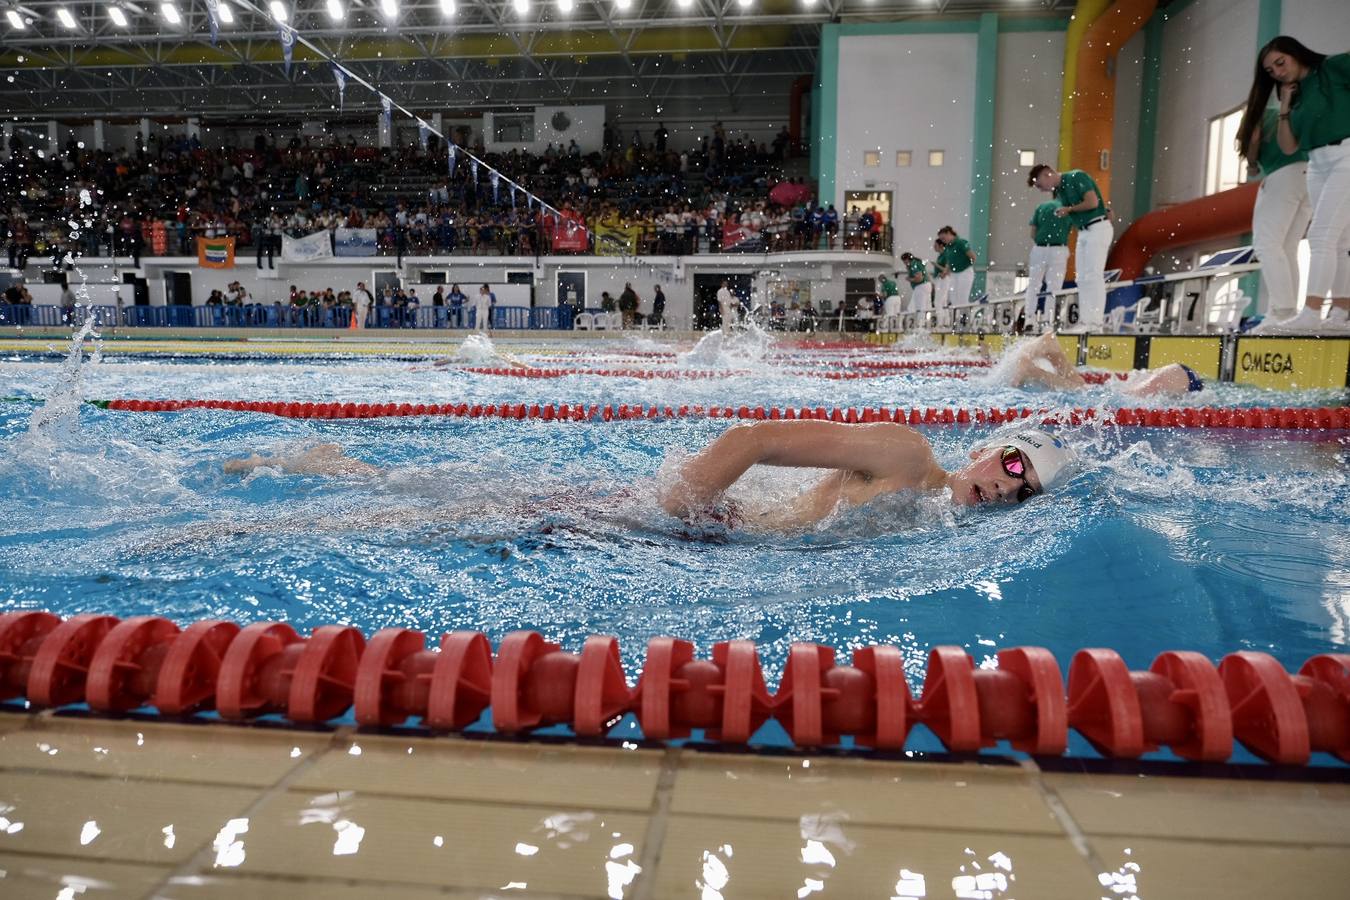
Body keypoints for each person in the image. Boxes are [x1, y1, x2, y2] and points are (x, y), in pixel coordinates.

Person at [224, 421, 1076, 533]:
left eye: (1022, 488)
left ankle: (348, 468)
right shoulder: (906, 457)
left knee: (484, 515)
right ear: (987, 448)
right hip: (697, 522)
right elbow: (758, 435)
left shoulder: (936, 515)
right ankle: (328, 470)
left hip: (716, 540)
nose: (1006, 487)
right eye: (1010, 464)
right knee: (472, 520)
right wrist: (688, 496)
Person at [1257, 36, 1350, 332]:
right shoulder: (1294, 95)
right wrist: (1284, 106)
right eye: (1271, 71)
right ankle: (1340, 314)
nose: (1278, 72)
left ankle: (1311, 311)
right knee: (1340, 242)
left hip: (1346, 155)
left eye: (1280, 63)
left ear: (1296, 54)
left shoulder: (1333, 67)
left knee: (1321, 236)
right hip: (1316, 163)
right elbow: (1288, 146)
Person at [1237, 88, 1311, 332]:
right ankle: (1287, 313)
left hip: (1282, 176)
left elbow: (1254, 143)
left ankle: (1282, 311)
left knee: (1267, 244)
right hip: (1308, 176)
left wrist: (1250, 160)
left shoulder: (1256, 117)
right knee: (1288, 247)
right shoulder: (1282, 115)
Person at [1029, 163, 1111, 332]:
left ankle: (1095, 323)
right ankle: (1085, 320)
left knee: (1093, 275)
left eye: (1039, 185)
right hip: (1084, 232)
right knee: (1081, 278)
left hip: (1097, 228)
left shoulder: (1076, 176)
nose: (1041, 189)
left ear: (1047, 174)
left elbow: (1092, 202)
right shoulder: (1059, 192)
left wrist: (1070, 209)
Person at [1006, 332, 1203, 396]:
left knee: (1089, 391)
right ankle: (1035, 370)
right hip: (1186, 379)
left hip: (1184, 376)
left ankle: (1051, 349)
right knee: (1093, 394)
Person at [1023, 199, 1072, 329]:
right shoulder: (1070, 208)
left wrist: (1042, 238)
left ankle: (1029, 318)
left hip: (1040, 248)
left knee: (1034, 284)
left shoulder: (1041, 207)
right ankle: (1048, 320)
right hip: (1059, 249)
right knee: (1054, 287)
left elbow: (1033, 232)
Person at [936, 227, 977, 313]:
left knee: (962, 299)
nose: (943, 241)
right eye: (941, 240)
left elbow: (973, 257)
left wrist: (964, 265)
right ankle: (957, 319)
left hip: (965, 272)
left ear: (949, 233)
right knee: (953, 298)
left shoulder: (961, 243)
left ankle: (964, 319)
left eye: (943, 238)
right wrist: (945, 273)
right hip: (954, 274)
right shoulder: (948, 247)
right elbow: (948, 262)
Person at [900, 251, 932, 324]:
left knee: (918, 307)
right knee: (926, 306)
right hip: (926, 285)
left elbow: (919, 278)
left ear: (907, 259)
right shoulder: (917, 263)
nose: (904, 263)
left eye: (904, 261)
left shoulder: (914, 264)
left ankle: (920, 324)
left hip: (921, 286)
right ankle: (926, 323)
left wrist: (909, 279)